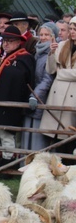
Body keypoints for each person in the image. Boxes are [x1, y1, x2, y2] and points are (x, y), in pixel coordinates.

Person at [0, 25, 35, 168]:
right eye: (4, 40)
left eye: (10, 41)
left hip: (9, 102)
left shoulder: (24, 57)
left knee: (6, 135)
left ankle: (7, 164)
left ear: (18, 42)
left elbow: (18, 77)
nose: (6, 43)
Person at [40, 16, 76, 158]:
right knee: (53, 137)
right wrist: (51, 53)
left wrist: (61, 73)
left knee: (68, 136)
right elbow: (51, 70)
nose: (72, 32)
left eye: (75, 29)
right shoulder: (62, 45)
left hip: (72, 96)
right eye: (71, 29)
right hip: (57, 95)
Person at [21, 22, 58, 151]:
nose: (43, 37)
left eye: (47, 35)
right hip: (31, 98)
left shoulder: (52, 54)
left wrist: (34, 96)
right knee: (27, 135)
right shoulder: (37, 52)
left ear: (53, 36)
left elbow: (47, 79)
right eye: (41, 34)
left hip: (42, 100)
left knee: (37, 139)